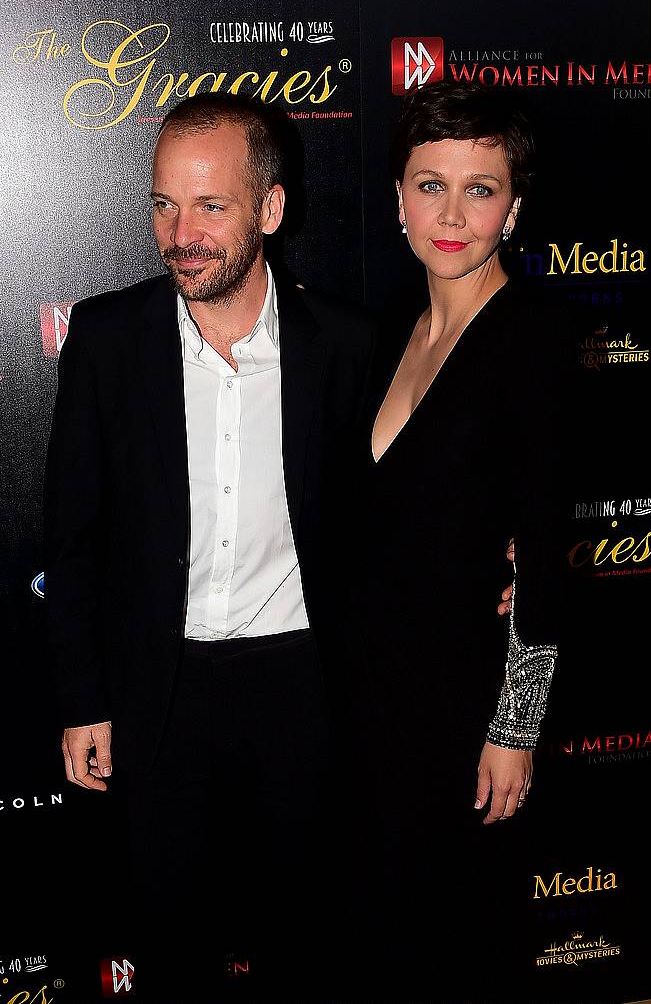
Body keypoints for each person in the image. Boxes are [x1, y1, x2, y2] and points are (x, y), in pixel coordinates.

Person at [44, 91, 373, 1002]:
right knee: (169, 948)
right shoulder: (108, 340)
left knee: (308, 947)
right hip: (159, 692)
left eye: (210, 206)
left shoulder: (344, 345)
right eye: (163, 203)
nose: (179, 233)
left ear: (268, 209)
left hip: (302, 690)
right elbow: (71, 539)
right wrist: (83, 699)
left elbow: (387, 516)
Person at [352, 82, 562, 1001]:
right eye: (428, 183)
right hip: (370, 698)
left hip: (461, 703)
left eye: (479, 189)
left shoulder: (533, 339)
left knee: (454, 945)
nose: (450, 213)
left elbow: (544, 552)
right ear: (397, 195)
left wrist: (513, 728)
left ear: (513, 207)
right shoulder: (387, 331)